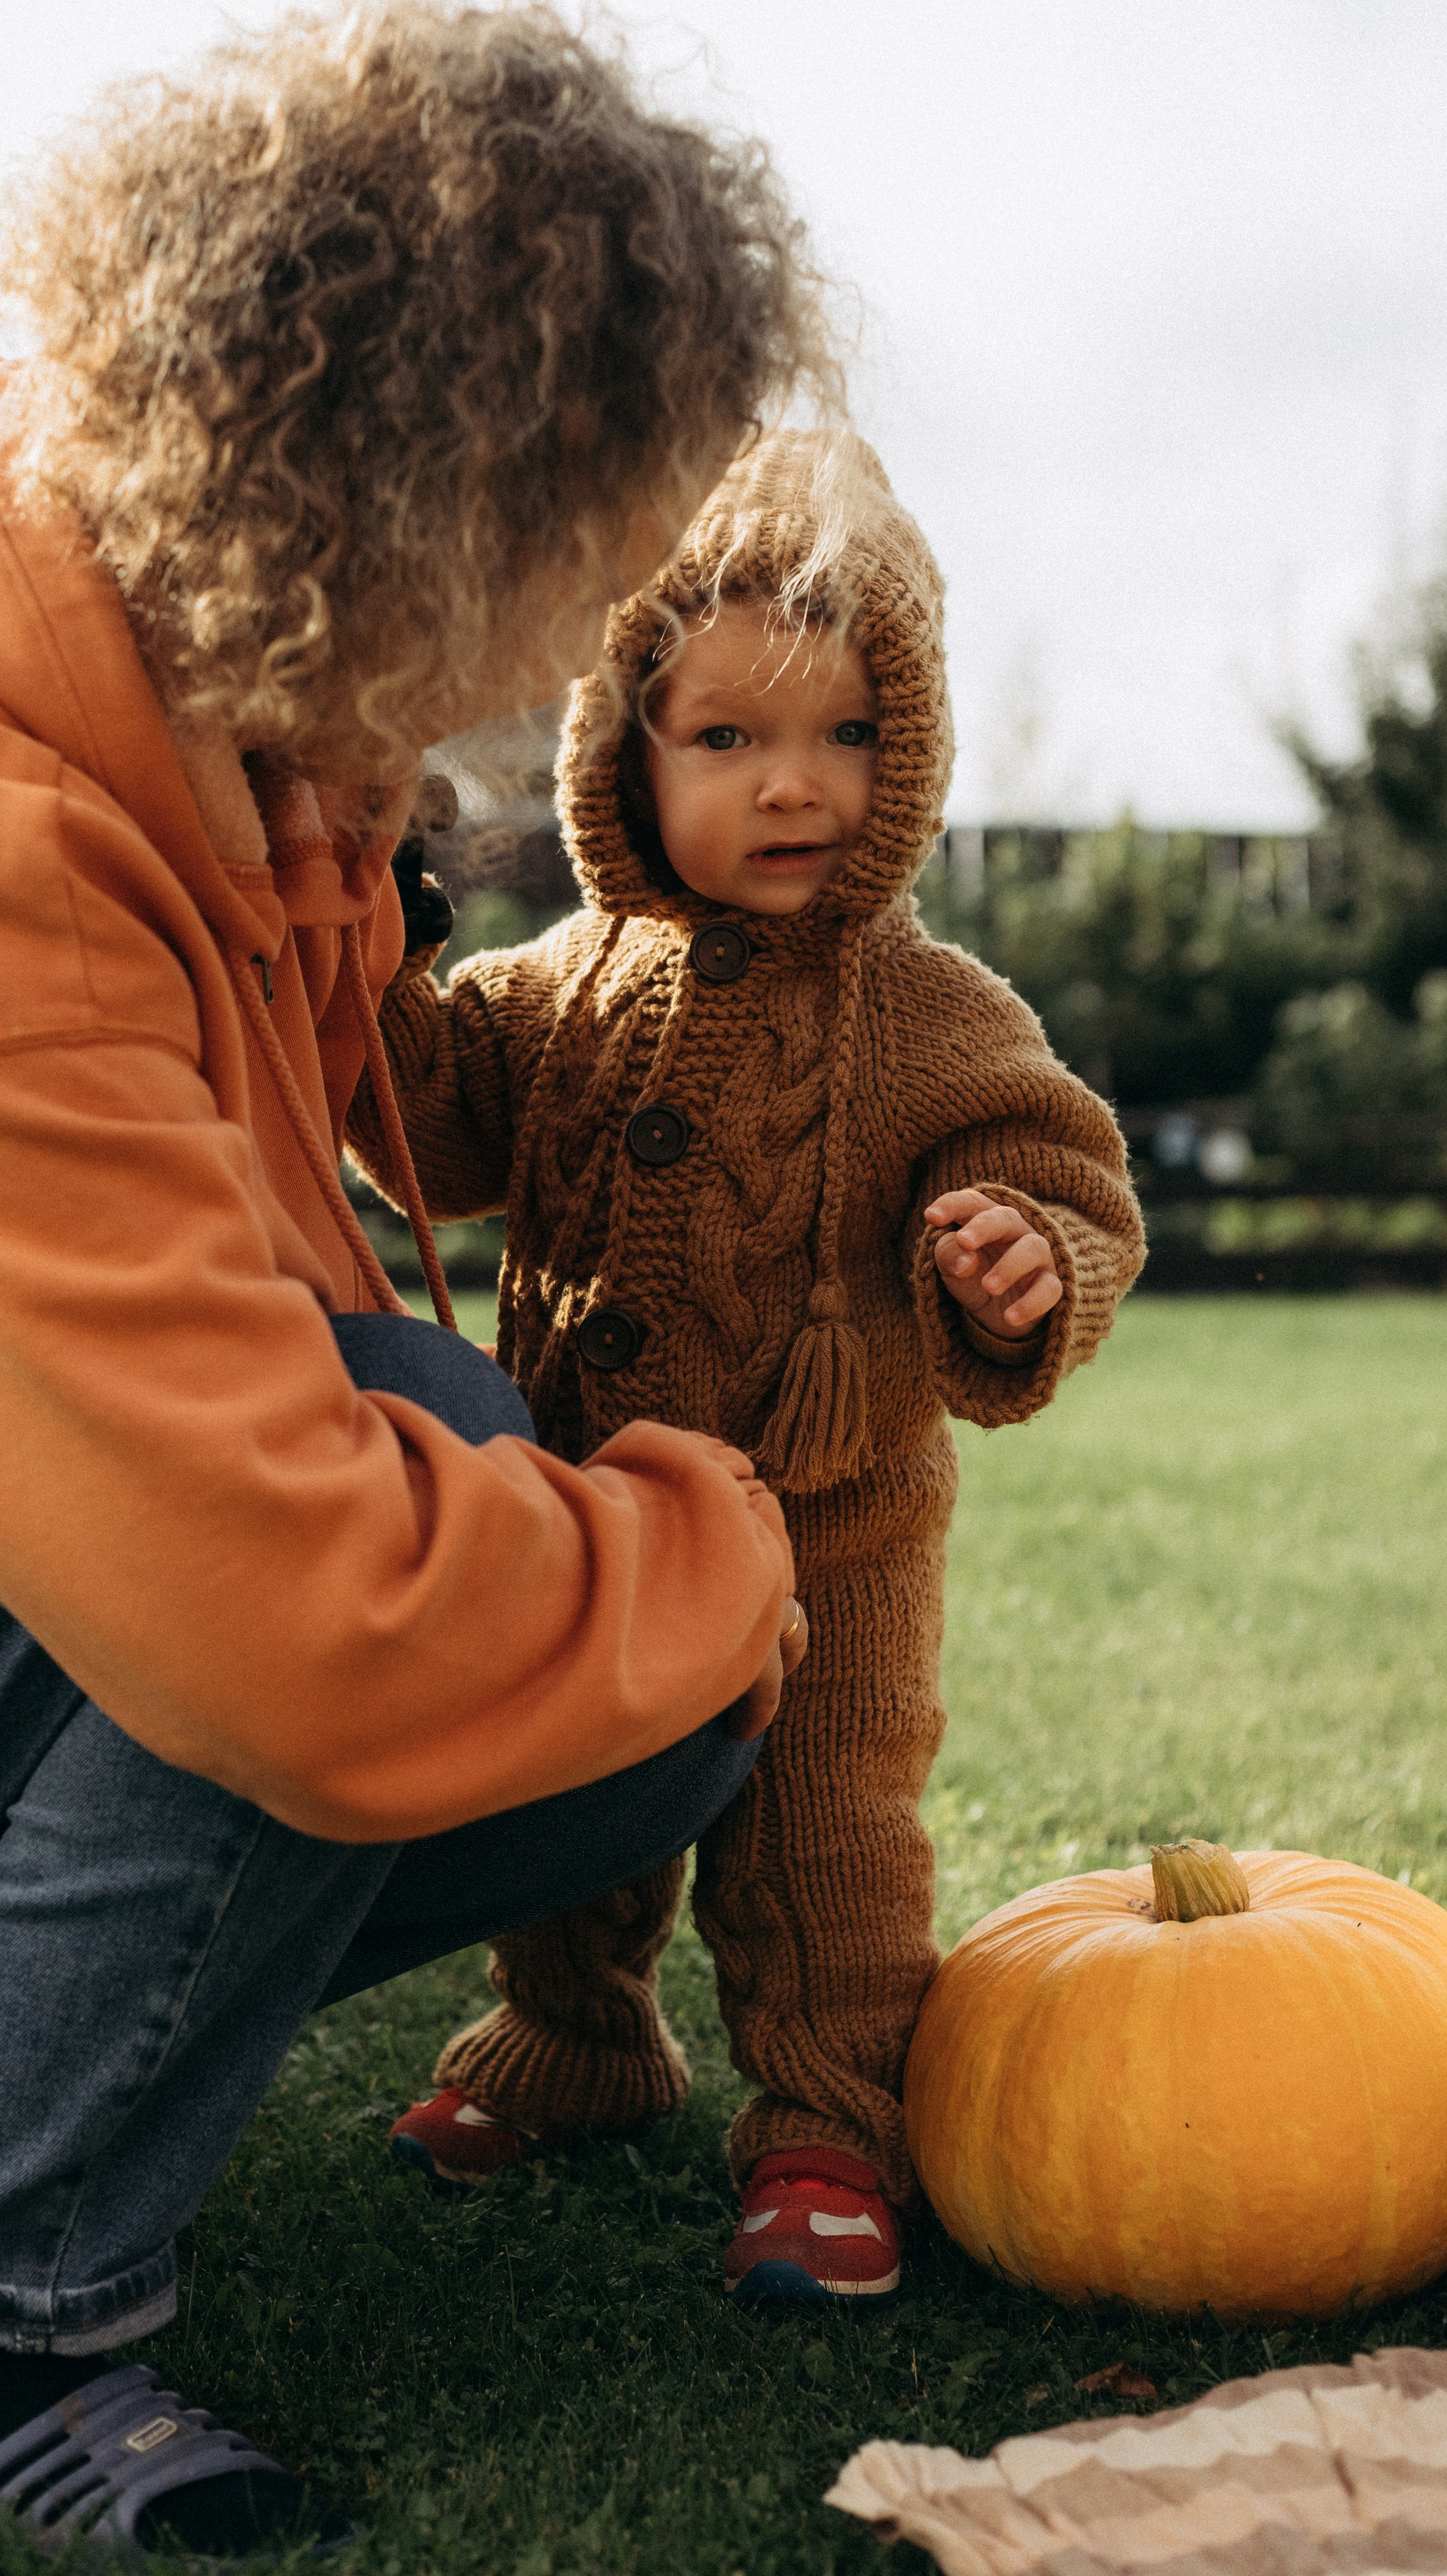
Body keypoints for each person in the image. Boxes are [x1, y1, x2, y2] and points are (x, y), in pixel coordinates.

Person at [0, 0, 834, 2556]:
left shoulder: (173, 728)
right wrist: (726, 1552)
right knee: (409, 1499)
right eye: (587, 546)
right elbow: (286, 1596)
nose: (586, 636)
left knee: (513, 1575)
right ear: (435, 494)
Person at [352, 429, 1146, 2307]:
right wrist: (372, 956)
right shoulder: (567, 979)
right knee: (564, 1804)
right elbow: (431, 1118)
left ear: (912, 752)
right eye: (727, 738)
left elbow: (1065, 1170)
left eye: (849, 735)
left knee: (824, 1844)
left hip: (831, 1537)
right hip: (590, 1513)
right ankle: (574, 2036)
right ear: (624, 754)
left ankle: (832, 2123)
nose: (795, 783)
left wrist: (1028, 1260)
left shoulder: (934, 1012)